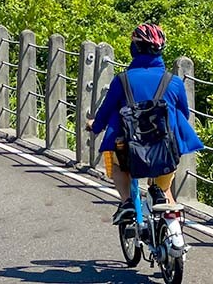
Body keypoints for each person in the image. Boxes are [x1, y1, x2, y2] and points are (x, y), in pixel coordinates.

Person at [87, 24, 203, 224]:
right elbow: (183, 113)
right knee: (165, 190)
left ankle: (127, 203)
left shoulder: (121, 80)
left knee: (116, 165)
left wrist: (94, 126)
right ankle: (172, 231)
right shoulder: (173, 81)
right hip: (165, 150)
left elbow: (105, 113)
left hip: (129, 149)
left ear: (135, 48)